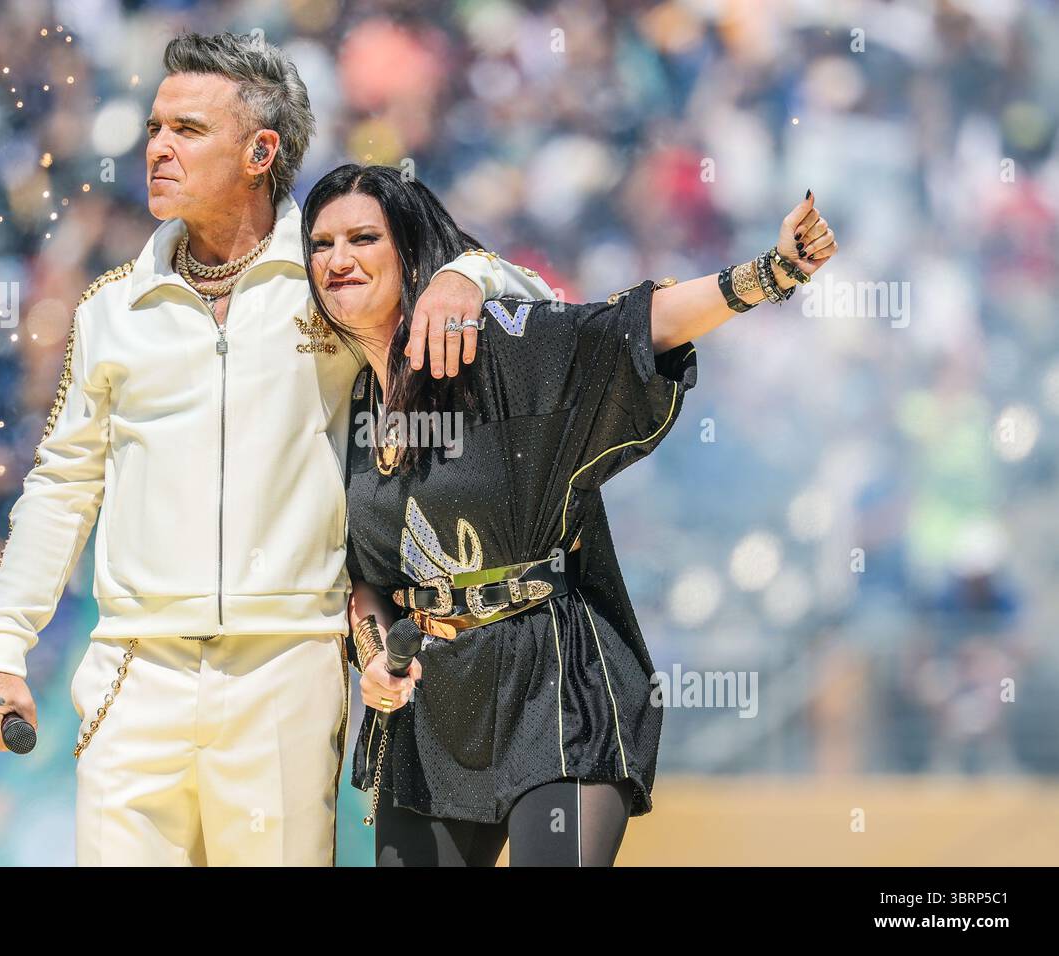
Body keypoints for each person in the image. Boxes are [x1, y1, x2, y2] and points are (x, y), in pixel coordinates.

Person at [0, 33, 546, 867]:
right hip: (133, 675)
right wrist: (1, 650)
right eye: (157, 126)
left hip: (289, 671)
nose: (157, 146)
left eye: (188, 130)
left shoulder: (334, 275)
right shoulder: (109, 308)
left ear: (259, 151)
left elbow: (539, 303)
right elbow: (61, 488)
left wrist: (465, 277)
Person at [302, 164, 836, 866]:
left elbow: (632, 327)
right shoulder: (340, 409)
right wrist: (373, 659)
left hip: (556, 688)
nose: (338, 259)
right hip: (433, 713)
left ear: (407, 250)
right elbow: (366, 581)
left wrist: (772, 271)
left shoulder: (490, 349)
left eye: (363, 238)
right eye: (321, 244)